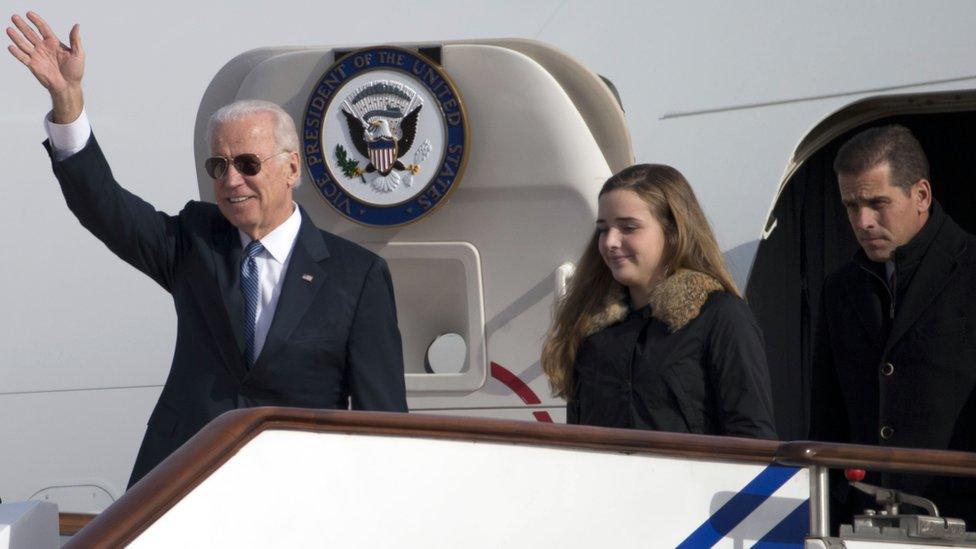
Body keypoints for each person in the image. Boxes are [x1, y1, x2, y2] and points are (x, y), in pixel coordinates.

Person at [7, 12, 408, 487]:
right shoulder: (194, 242)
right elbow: (103, 206)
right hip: (182, 482)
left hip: (299, 492)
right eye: (219, 165)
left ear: (292, 168)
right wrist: (67, 101)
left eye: (247, 163)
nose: (231, 179)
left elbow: (383, 422)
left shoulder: (355, 276)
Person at [810, 124, 976, 524]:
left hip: (962, 520)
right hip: (863, 519)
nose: (863, 220)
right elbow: (827, 419)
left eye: (877, 203)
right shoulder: (839, 289)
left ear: (921, 195)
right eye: (851, 205)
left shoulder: (972, 272)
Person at [541, 164, 776, 438]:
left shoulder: (721, 316)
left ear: (673, 232)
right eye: (603, 229)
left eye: (628, 227)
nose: (610, 242)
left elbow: (753, 434)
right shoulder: (590, 326)